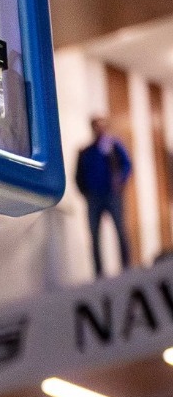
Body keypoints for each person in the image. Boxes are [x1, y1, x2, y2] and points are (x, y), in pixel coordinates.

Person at [76, 116, 134, 277]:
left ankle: (127, 268)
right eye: (96, 126)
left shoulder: (114, 146)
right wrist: (85, 192)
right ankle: (99, 273)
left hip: (112, 195)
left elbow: (127, 166)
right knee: (94, 236)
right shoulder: (86, 152)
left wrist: (120, 181)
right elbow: (79, 175)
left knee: (121, 230)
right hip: (94, 197)